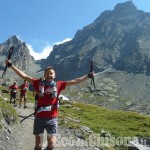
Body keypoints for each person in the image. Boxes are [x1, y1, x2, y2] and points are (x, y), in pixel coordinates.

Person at [5, 59, 94, 150]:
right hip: (39, 117)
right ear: (44, 75)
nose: (49, 75)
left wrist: (88, 76)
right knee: (38, 144)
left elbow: (75, 81)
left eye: (51, 73)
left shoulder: (59, 84)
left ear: (54, 75)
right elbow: (24, 76)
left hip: (52, 118)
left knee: (51, 144)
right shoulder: (38, 83)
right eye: (47, 73)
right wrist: (11, 65)